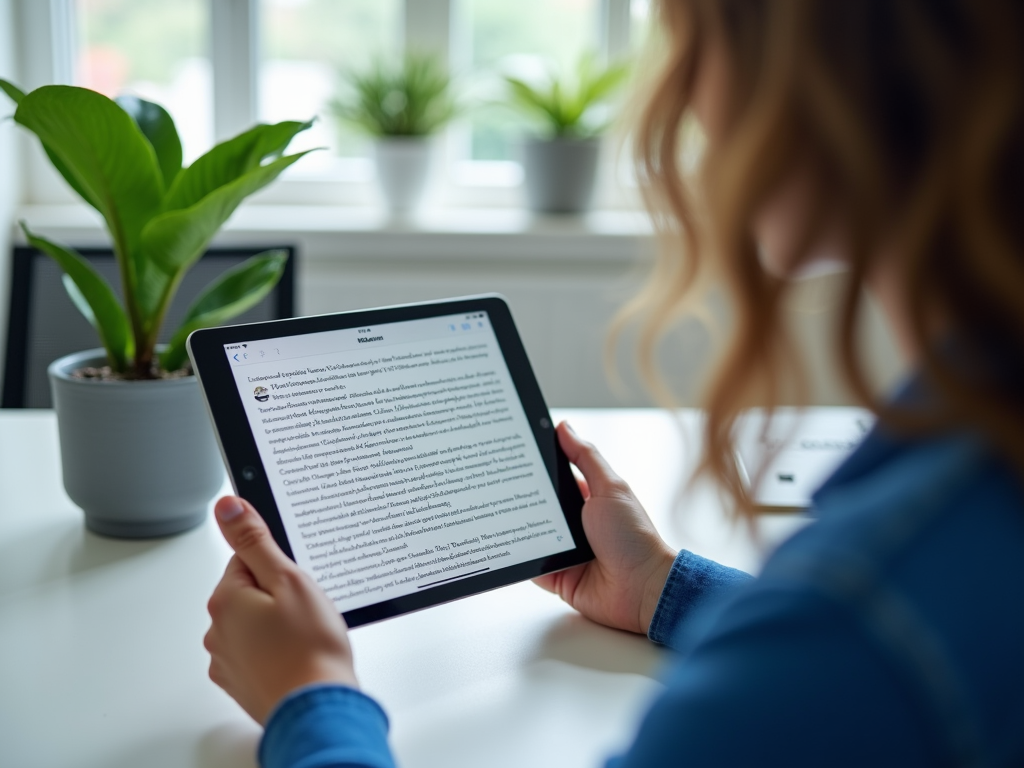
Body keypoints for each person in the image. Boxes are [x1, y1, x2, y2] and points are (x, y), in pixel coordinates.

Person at [203, 1, 1024, 766]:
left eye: (691, 42)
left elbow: (849, 654)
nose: (678, 94)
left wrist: (310, 697)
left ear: (814, 88)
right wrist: (664, 587)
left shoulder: (862, 611)